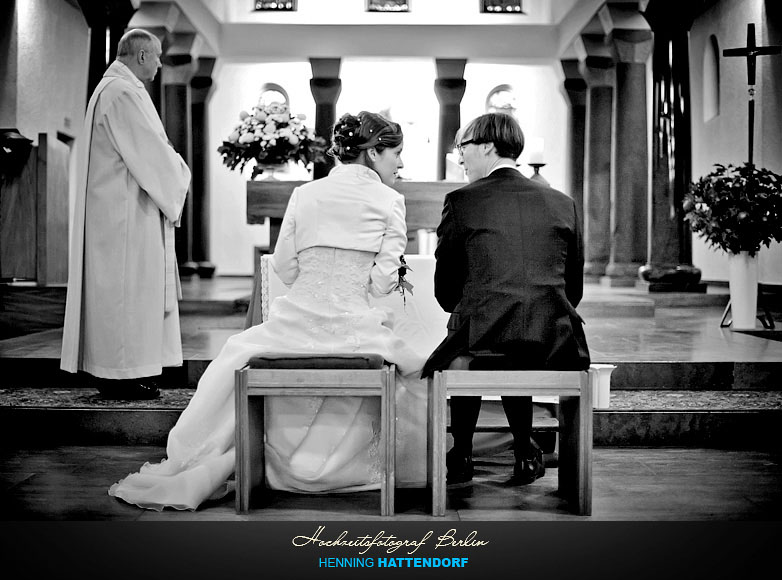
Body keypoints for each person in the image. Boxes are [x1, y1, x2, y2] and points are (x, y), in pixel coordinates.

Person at [108, 111, 429, 511]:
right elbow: (383, 284)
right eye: (396, 153)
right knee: (416, 366)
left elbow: (285, 267)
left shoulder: (305, 195)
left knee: (239, 354)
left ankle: (257, 461)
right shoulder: (390, 201)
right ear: (373, 152)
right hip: (354, 328)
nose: (400, 163)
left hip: (294, 324)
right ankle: (345, 469)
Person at [421, 112, 590, 486]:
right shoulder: (562, 202)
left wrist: (469, 307)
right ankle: (525, 452)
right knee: (513, 337)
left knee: (472, 333)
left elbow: (446, 288)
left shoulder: (462, 201)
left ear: (485, 146)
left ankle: (461, 451)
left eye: (462, 147)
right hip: (555, 339)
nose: (460, 157)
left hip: (485, 335)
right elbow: (572, 286)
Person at [60, 29, 191, 400]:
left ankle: (125, 374)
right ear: (142, 56)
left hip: (122, 210)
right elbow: (150, 152)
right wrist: (180, 173)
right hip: (125, 217)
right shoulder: (121, 93)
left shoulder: (115, 89)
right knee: (125, 296)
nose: (162, 63)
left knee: (126, 297)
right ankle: (121, 375)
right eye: (159, 56)